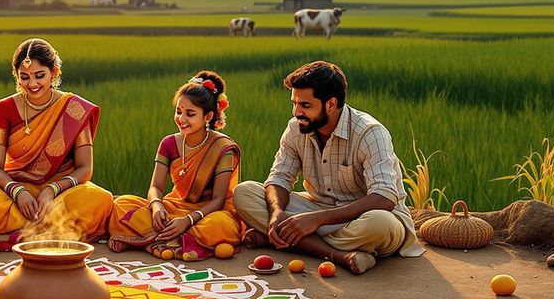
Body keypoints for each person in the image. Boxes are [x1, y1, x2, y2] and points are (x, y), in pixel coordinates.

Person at [232, 60, 423, 274]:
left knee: (381, 224)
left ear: (331, 104)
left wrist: (316, 220)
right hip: (317, 207)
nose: (296, 112)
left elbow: (384, 197)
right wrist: (277, 212)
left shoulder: (370, 132)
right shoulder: (296, 129)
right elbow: (279, 178)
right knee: (244, 192)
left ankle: (279, 239)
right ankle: (339, 255)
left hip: (362, 217)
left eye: (305, 105)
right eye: (294, 103)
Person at [0, 38, 114, 246]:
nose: (32, 84)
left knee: (100, 199)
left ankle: (14, 236)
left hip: (61, 194)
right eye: (24, 77)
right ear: (16, 76)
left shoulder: (74, 109)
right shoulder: (3, 109)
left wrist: (52, 189)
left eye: (40, 76)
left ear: (54, 72)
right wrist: (18, 191)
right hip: (15, 192)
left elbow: (85, 170)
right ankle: (46, 233)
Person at [109, 71, 244, 260]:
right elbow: (156, 187)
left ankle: (156, 241)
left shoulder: (223, 148)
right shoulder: (168, 143)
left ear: (208, 116)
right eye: (178, 111)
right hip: (175, 207)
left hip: (208, 213)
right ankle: (175, 241)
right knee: (121, 205)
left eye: (190, 114)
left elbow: (219, 200)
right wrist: (156, 206)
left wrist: (188, 220)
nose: (181, 119)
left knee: (221, 225)